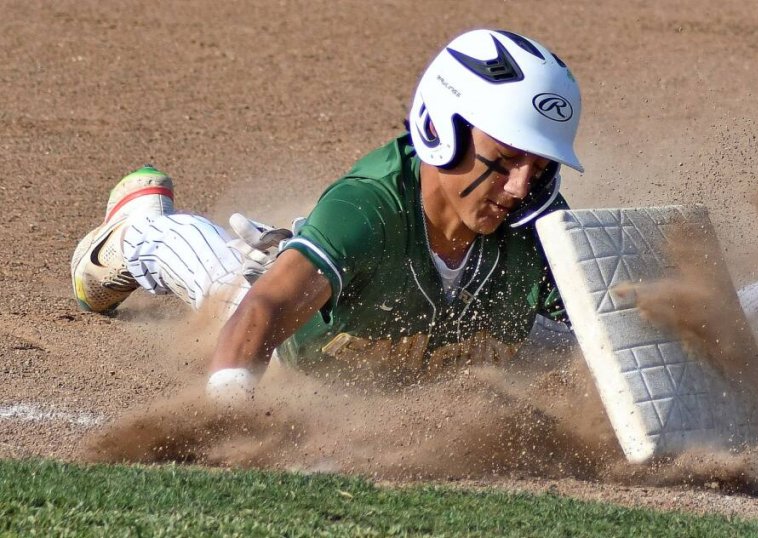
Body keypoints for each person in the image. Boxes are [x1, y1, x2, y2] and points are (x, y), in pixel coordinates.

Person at [70, 29, 584, 401]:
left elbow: (610, 329)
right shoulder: (368, 206)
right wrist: (228, 416)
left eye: (539, 167)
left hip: (431, 347)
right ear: (442, 128)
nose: (520, 187)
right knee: (230, 287)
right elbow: (264, 313)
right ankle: (139, 227)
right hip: (293, 358)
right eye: (508, 157)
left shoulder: (539, 223)